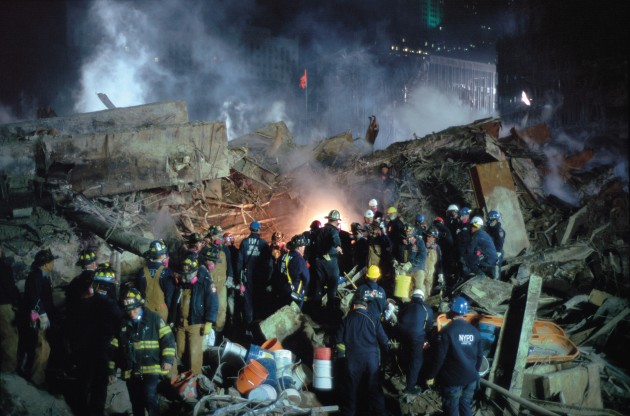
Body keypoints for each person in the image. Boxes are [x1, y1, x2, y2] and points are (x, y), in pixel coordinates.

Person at [108, 289, 175, 416]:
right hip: (130, 370)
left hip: (151, 367)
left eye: (135, 310)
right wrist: (111, 370)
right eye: (129, 310)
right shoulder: (121, 324)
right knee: (136, 402)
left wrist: (167, 359)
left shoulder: (154, 318)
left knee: (150, 397)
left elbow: (168, 339)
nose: (132, 314)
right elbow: (113, 350)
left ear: (140, 305)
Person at [67, 275, 122, 416]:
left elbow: (70, 330)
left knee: (83, 382)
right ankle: (96, 412)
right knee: (99, 385)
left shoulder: (78, 306)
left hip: (83, 350)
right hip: (101, 350)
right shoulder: (108, 304)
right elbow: (118, 325)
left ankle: (81, 411)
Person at [426, 296, 482, 416]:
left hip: (453, 380)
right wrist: (474, 372)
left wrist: (431, 375)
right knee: (466, 406)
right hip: (471, 378)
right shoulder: (474, 331)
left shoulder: (447, 331)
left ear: (452, 311)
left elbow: (439, 358)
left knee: (451, 410)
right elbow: (479, 357)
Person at [335, 296, 389, 415]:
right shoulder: (373, 318)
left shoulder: (347, 319)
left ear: (353, 306)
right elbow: (384, 341)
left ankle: (349, 412)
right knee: (374, 389)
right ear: (365, 307)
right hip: (371, 360)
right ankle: (379, 413)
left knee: (351, 390)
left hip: (353, 360)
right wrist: (386, 357)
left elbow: (338, 340)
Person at [169, 254, 218, 375]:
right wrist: (172, 320)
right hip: (181, 323)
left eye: (188, 274)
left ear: (196, 271)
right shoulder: (181, 283)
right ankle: (184, 375)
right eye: (184, 274)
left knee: (194, 353)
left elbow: (213, 303)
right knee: (180, 351)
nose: (185, 277)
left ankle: (195, 378)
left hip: (196, 323)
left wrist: (209, 321)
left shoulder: (205, 283)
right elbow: (175, 302)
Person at [20, 248, 58, 385]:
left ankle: (32, 373)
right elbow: (34, 297)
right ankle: (36, 379)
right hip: (38, 317)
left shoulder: (43, 276)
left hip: (43, 315)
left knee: (40, 345)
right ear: (46, 264)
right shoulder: (36, 276)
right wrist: (41, 314)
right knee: (42, 347)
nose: (53, 264)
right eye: (52, 262)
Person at [201, 225, 234, 343]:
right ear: (211, 235)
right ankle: (207, 334)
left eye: (220, 234)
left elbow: (229, 263)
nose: (218, 237)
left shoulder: (225, 249)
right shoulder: (205, 250)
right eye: (216, 234)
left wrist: (230, 276)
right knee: (208, 307)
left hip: (222, 283)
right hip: (210, 283)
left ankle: (219, 334)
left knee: (222, 308)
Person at [398, 289, 434, 394]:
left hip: (402, 335)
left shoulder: (405, 306)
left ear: (412, 297)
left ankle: (403, 371)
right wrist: (425, 338)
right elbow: (428, 326)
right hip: (417, 337)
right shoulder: (427, 309)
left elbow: (400, 318)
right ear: (422, 298)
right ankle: (410, 387)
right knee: (416, 360)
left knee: (405, 354)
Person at [236, 220, 272, 323]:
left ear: (250, 229)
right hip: (260, 278)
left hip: (247, 277)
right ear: (259, 230)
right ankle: (259, 326)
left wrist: (240, 279)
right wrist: (268, 279)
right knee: (259, 300)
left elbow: (239, 262)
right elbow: (269, 264)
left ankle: (249, 327)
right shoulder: (264, 243)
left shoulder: (244, 242)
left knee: (248, 302)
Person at [134, 240, 175, 322]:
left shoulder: (141, 271)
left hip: (146, 312)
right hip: (161, 312)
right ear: (162, 255)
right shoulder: (167, 272)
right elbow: (170, 297)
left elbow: (139, 293)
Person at [313, 210, 344, 311]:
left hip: (318, 260)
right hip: (329, 261)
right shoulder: (333, 230)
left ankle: (316, 308)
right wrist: (338, 246)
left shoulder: (321, 230)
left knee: (319, 284)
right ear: (336, 221)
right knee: (333, 282)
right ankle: (330, 309)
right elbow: (335, 238)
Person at [273, 235, 310, 310]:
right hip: (295, 291)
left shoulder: (283, 256)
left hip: (282, 289)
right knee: (295, 314)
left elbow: (277, 272)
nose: (304, 248)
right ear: (299, 247)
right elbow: (306, 278)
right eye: (304, 246)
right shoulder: (299, 260)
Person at [0, 245, 20, 372]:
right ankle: (8, 372)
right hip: (3, 306)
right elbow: (10, 287)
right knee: (10, 339)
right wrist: (18, 302)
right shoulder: (3, 267)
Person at [403, 224, 427, 300]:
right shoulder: (404, 242)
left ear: (413, 231)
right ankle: (406, 305)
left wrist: (411, 264)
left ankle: (420, 304)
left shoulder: (419, 241)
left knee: (419, 288)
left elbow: (422, 256)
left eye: (409, 231)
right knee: (405, 290)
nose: (408, 232)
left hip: (418, 269)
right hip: (407, 270)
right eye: (406, 231)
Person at [486, 210, 506, 279]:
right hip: (490, 252)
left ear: (495, 220)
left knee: (496, 274)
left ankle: (497, 284)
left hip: (497, 253)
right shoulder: (491, 228)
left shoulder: (499, 232)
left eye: (490, 220)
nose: (489, 222)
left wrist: (496, 257)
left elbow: (499, 246)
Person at [424, 228, 444, 297]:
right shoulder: (422, 245)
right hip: (419, 272)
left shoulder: (436, 248)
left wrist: (440, 274)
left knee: (427, 293)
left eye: (429, 236)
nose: (427, 238)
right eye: (427, 236)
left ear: (434, 238)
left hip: (429, 276)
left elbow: (439, 262)